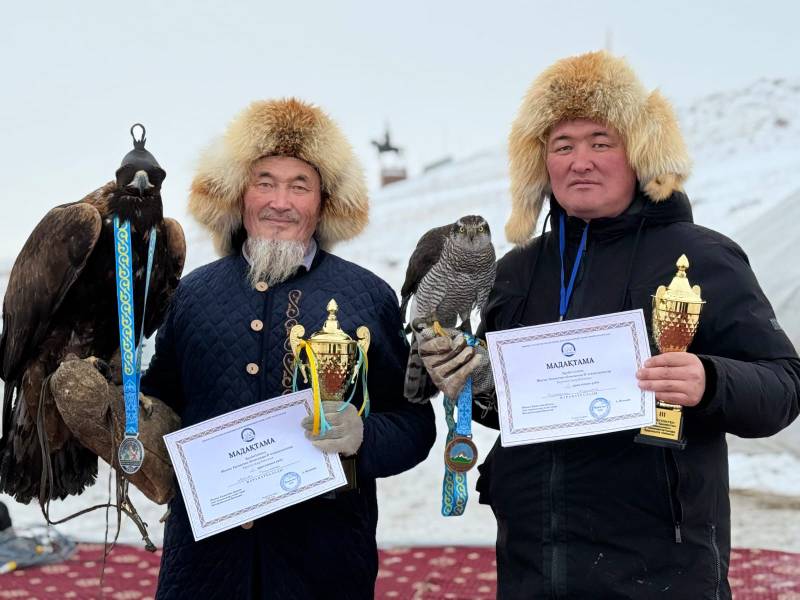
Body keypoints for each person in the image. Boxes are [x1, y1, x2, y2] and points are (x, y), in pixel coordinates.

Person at [418, 51, 800, 599]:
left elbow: (784, 385)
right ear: (541, 163)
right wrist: (472, 384)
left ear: (640, 154)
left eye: (602, 142)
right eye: (562, 145)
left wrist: (710, 380)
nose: (581, 161)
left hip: (662, 569)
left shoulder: (703, 258)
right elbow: (509, 409)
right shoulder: (517, 271)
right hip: (533, 563)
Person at [141, 98, 436, 599]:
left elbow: (415, 424)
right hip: (204, 569)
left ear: (323, 202)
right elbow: (156, 403)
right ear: (240, 195)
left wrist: (364, 436)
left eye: (299, 185)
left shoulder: (368, 296)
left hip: (324, 566)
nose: (281, 201)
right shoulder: (193, 294)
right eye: (265, 183)